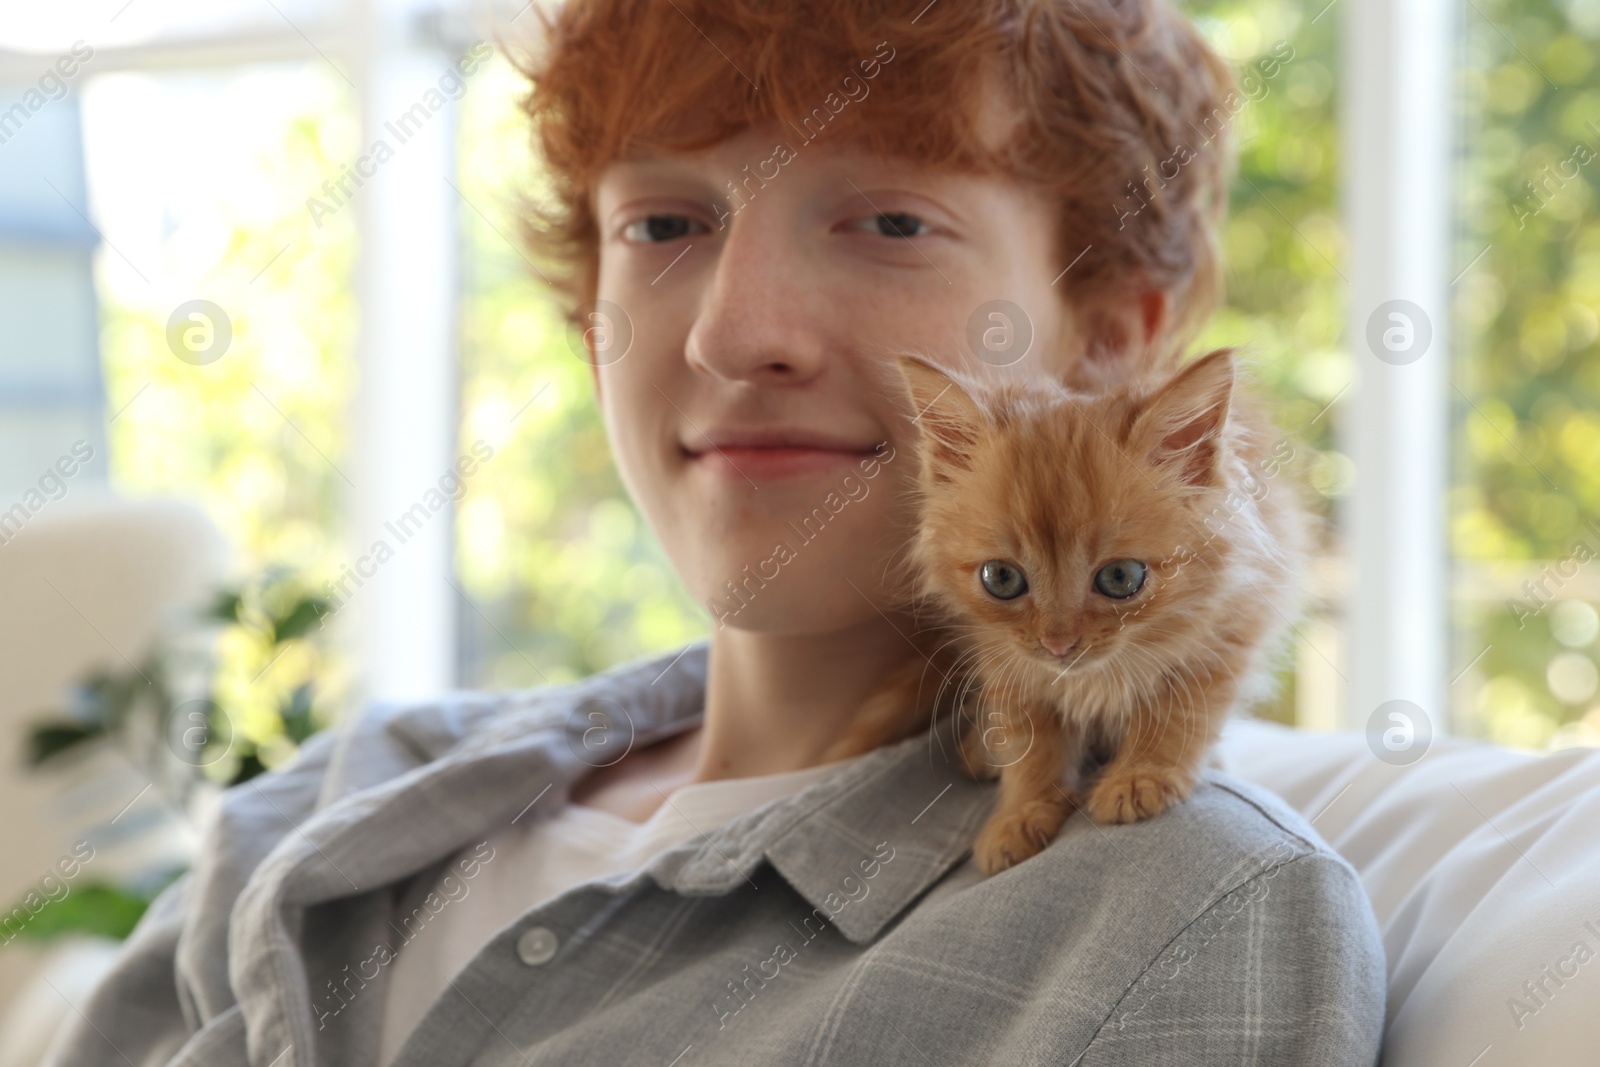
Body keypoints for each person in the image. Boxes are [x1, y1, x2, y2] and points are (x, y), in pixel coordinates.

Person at [44, 1, 1387, 1064]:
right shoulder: (334, 800)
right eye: (667, 223)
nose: (734, 332)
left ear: (1119, 339)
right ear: (588, 319)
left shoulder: (1173, 915)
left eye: (892, 221)